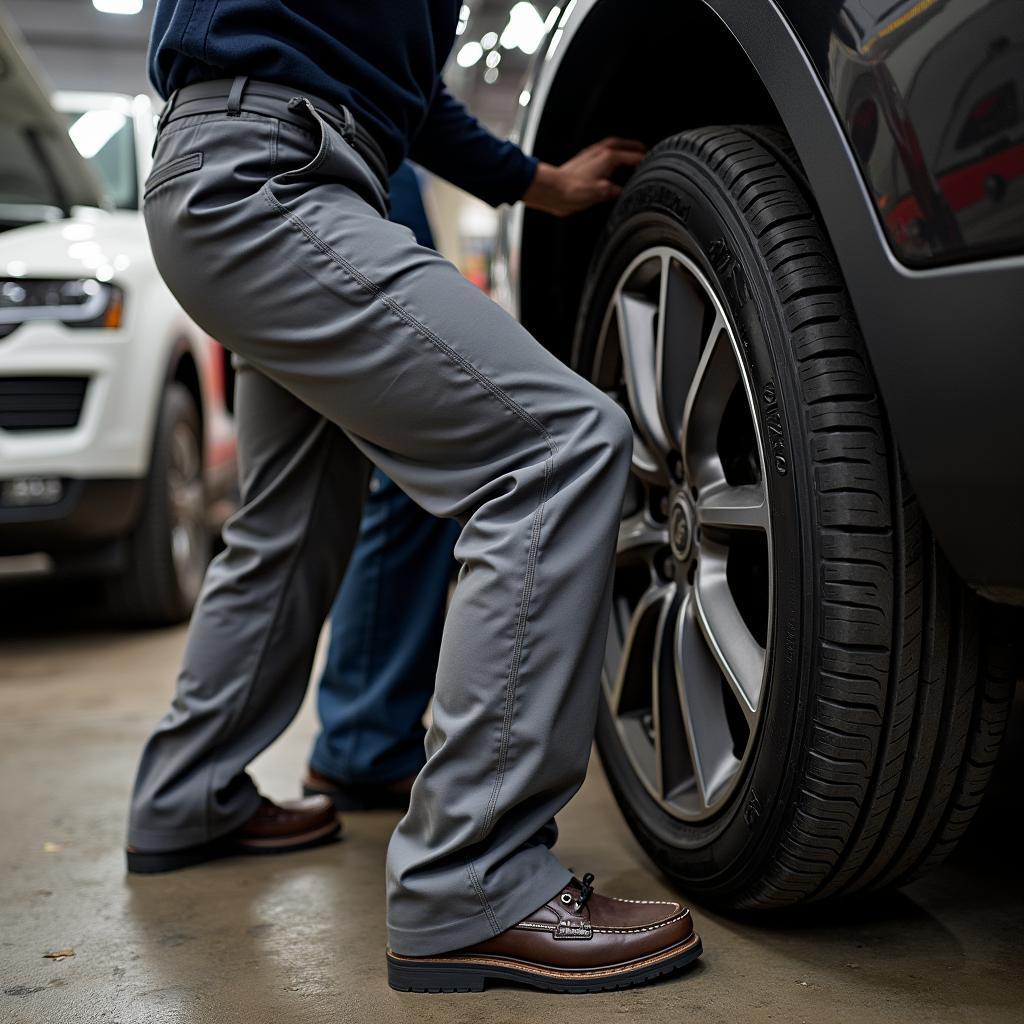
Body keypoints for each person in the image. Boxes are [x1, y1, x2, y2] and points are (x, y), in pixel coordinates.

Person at [125, 0, 703, 993]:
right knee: (558, 450)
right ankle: (467, 876)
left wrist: (534, 182)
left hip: (266, 168)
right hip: (271, 175)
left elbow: (410, 92)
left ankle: (189, 795)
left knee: (291, 525)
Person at [305, 162, 459, 812]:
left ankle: (363, 737)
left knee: (396, 470)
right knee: (415, 467)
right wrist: (528, 177)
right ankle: (362, 742)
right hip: (353, 165)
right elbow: (424, 101)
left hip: (333, 167)